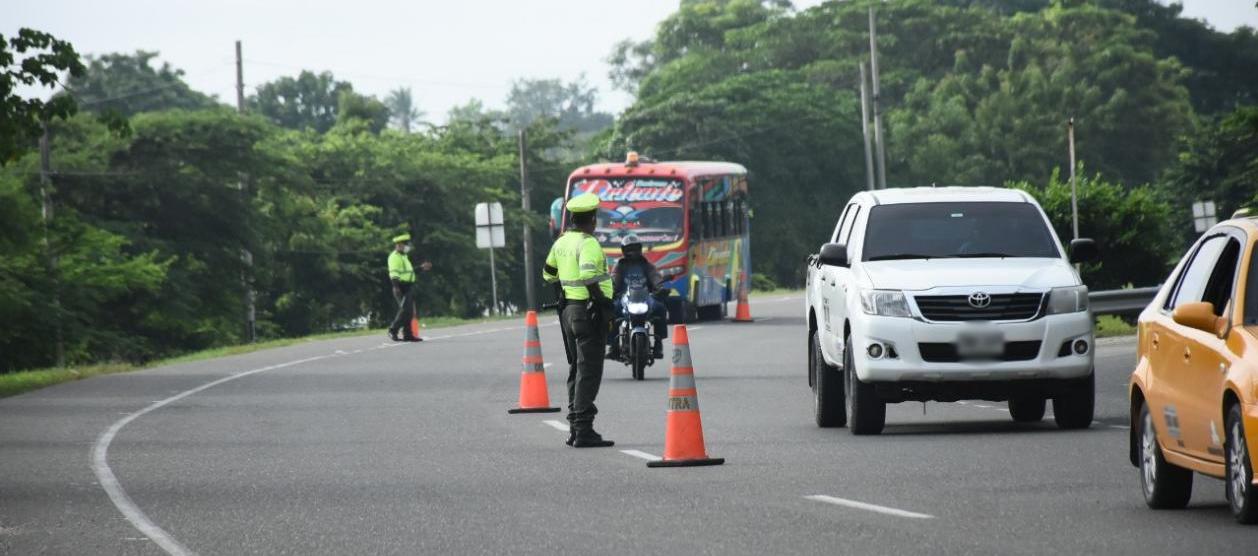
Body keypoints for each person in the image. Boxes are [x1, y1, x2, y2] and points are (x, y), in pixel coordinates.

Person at [541, 193, 615, 448]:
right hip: (587, 312)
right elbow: (588, 276)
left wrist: (565, 287)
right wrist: (602, 302)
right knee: (589, 371)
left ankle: (574, 427)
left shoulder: (561, 242)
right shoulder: (588, 243)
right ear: (592, 219)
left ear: (572, 218)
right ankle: (583, 429)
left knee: (577, 369)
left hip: (569, 312)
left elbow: (548, 274)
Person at [607, 237, 669, 360]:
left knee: (660, 308)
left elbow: (655, 277)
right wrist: (611, 291)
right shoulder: (619, 266)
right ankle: (613, 346)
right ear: (624, 251)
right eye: (629, 249)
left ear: (640, 249)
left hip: (646, 298)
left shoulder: (647, 265)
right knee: (610, 310)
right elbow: (614, 279)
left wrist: (660, 288)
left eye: (635, 249)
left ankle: (658, 343)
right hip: (625, 299)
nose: (633, 252)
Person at [387, 233, 432, 342]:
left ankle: (408, 334)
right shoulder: (394, 257)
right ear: (399, 245)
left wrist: (421, 268)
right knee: (405, 310)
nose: (408, 247)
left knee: (409, 312)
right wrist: (396, 287)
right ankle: (393, 330)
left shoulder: (404, 257)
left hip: (408, 286)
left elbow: (410, 272)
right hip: (400, 286)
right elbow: (394, 273)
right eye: (406, 244)